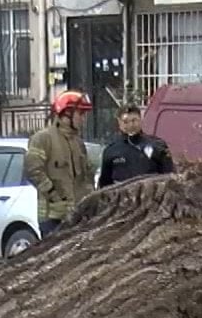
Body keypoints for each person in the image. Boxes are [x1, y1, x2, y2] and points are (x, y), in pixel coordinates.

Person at [24, 90, 94, 237]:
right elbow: (33, 171)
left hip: (77, 217)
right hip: (52, 218)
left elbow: (86, 178)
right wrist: (54, 196)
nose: (83, 119)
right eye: (80, 114)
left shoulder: (78, 143)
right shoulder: (43, 139)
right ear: (66, 114)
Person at [97, 105, 174, 187]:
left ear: (141, 120)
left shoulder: (158, 146)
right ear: (119, 124)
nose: (131, 125)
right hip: (122, 198)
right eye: (125, 122)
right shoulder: (111, 151)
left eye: (134, 120)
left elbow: (169, 178)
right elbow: (105, 185)